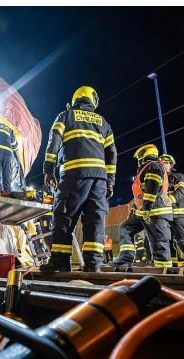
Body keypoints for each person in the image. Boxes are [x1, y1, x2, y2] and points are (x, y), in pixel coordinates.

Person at [41, 86, 116, 273]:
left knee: (64, 217)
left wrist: (48, 170)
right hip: (99, 180)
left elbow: (53, 142)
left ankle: (60, 262)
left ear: (75, 99)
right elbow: (112, 153)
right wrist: (110, 181)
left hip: (73, 176)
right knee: (95, 221)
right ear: (93, 101)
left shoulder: (65, 116)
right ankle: (93, 265)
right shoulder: (103, 122)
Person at [133, 144, 174, 268]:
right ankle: (161, 273)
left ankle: (166, 274)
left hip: (157, 211)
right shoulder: (149, 167)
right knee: (156, 244)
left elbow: (152, 189)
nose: (138, 160)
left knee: (160, 244)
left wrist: (146, 209)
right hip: (153, 211)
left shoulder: (153, 166)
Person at [107, 200, 147, 269]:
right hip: (142, 211)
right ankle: (126, 258)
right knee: (125, 228)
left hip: (154, 210)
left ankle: (163, 263)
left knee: (159, 237)